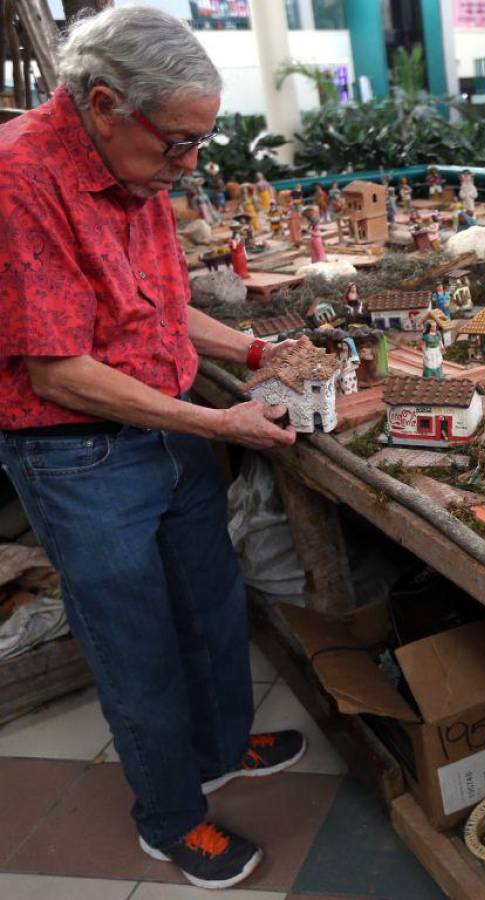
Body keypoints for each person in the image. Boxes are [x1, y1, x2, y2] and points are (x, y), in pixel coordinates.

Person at [0, 7, 305, 890]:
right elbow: (57, 371)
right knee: (135, 641)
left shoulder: (135, 171)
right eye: (178, 144)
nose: (189, 164)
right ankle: (169, 816)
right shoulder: (22, 179)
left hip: (166, 425)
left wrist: (254, 351)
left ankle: (218, 746)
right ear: (104, 105)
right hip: (80, 453)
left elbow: (158, 308)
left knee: (211, 605)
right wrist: (219, 424)